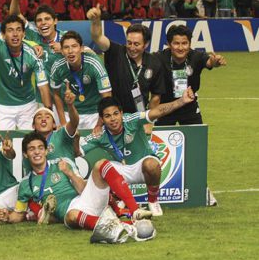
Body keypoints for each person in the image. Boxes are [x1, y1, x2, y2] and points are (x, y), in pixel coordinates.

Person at [0, 133, 151, 243]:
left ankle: (135, 210)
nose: (37, 152)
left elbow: (83, 190)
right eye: (31, 149)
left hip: (86, 200)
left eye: (40, 148)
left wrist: (69, 173)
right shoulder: (26, 184)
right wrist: (7, 217)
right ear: (25, 154)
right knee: (72, 215)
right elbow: (19, 214)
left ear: (46, 151)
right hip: (71, 215)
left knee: (102, 164)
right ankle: (125, 225)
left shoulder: (62, 163)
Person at [81, 87, 197, 217]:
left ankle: (153, 201)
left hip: (141, 166)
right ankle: (117, 202)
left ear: (121, 113)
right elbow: (78, 150)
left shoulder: (131, 120)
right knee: (101, 168)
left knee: (152, 164)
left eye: (116, 114)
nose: (113, 119)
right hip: (121, 170)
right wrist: (71, 136)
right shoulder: (99, 134)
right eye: (107, 116)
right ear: (101, 119)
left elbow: (156, 111)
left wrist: (181, 101)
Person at [0, 5, 51, 130]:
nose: (15, 34)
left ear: (24, 33)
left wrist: (48, 112)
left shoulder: (33, 54)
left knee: (30, 142)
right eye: (10, 30)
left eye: (19, 30)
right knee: (5, 143)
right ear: (3, 34)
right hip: (2, 107)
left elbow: (43, 86)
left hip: (28, 106)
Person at [89, 5, 165, 116]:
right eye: (129, 42)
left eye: (137, 44)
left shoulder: (154, 63)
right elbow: (97, 37)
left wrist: (149, 119)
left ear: (146, 44)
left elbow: (156, 96)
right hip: (114, 116)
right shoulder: (115, 52)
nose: (132, 47)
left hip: (140, 115)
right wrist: (96, 21)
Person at [153, 25, 226, 125]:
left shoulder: (196, 56)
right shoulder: (158, 58)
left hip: (189, 106)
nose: (180, 48)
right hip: (165, 107)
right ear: (169, 44)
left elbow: (209, 62)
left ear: (190, 44)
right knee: (160, 140)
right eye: (176, 43)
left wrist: (215, 61)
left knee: (196, 139)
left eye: (184, 43)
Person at [49, 31, 112, 129]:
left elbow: (107, 96)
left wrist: (99, 124)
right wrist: (63, 122)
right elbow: (56, 95)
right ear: (61, 51)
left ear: (81, 48)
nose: (70, 51)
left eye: (74, 46)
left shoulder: (94, 63)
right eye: (66, 47)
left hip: (93, 112)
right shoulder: (58, 66)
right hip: (68, 112)